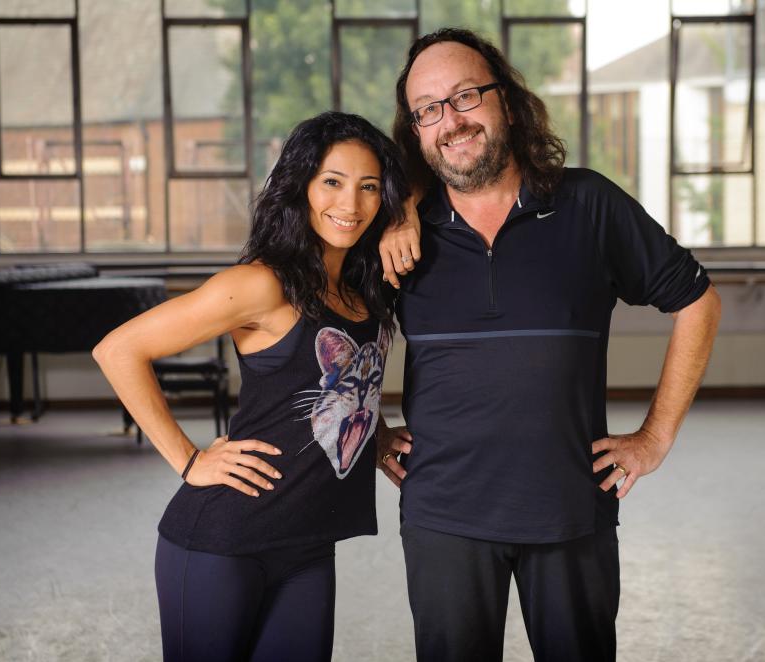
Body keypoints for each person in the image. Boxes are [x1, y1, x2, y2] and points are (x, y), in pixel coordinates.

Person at [375, 28, 722, 662]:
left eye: (465, 96)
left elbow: (698, 300)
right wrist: (364, 427)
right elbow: (327, 332)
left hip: (571, 512)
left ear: (505, 99)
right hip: (444, 516)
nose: (449, 121)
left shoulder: (588, 204)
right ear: (416, 132)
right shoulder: (400, 234)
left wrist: (656, 436)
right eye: (427, 110)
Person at [93, 111, 409, 662]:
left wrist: (375, 436)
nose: (350, 205)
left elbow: (343, 383)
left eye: (368, 188)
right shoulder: (261, 285)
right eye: (332, 182)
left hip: (309, 546)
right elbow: (118, 350)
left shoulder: (367, 290)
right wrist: (190, 461)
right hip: (222, 543)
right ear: (301, 186)